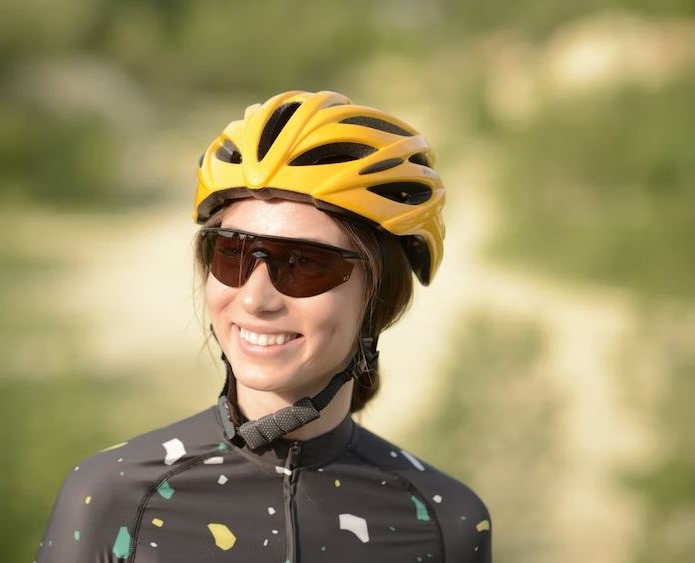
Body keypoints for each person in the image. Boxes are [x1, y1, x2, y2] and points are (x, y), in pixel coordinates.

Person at [34, 90, 491, 563]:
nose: (254, 298)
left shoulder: (445, 524)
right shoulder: (114, 500)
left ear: (378, 302)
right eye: (231, 254)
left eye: (305, 263)